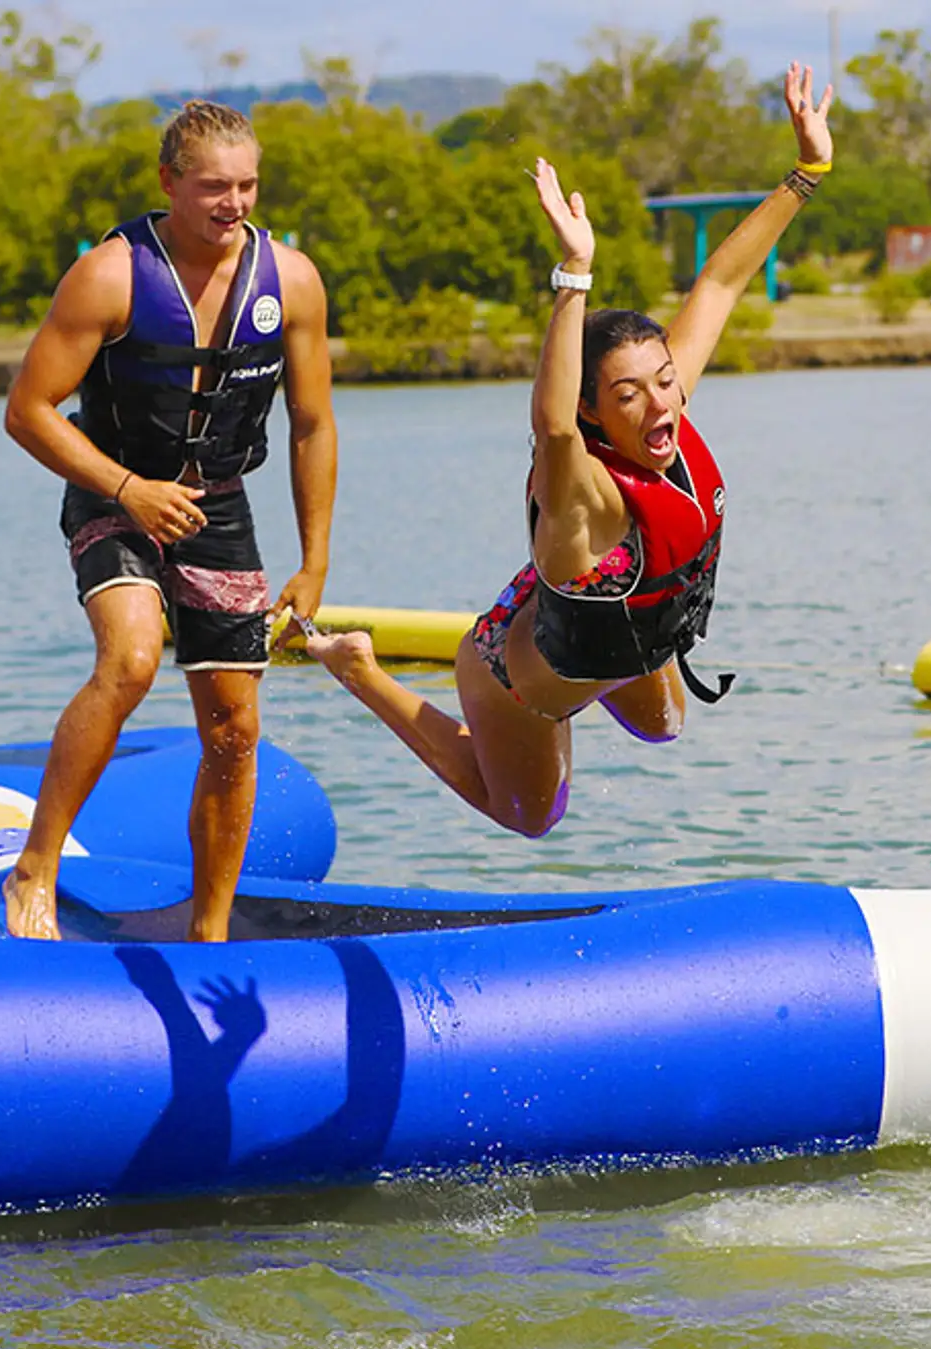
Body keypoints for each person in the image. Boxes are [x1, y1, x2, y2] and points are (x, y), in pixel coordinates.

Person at [301, 62, 833, 837]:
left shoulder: (663, 409)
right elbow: (552, 426)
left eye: (664, 381)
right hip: (516, 681)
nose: (661, 402)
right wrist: (574, 274)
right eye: (628, 395)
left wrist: (808, 171)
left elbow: (718, 284)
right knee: (530, 817)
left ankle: (620, 665)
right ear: (592, 408)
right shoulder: (582, 488)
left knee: (664, 727)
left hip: (617, 634)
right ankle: (360, 670)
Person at [0, 100, 337, 941]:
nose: (234, 203)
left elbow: (312, 424)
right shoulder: (110, 274)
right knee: (132, 658)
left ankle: (209, 929)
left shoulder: (290, 280)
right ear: (169, 183)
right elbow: (29, 411)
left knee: (235, 726)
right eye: (214, 186)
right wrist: (125, 488)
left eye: (248, 184)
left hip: (218, 508)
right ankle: (34, 869)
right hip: (113, 495)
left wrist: (315, 559)